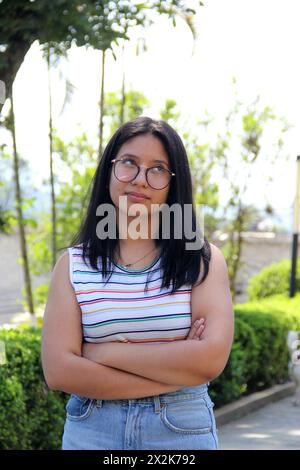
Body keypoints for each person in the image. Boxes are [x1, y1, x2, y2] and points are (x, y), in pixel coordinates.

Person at [41, 116, 234, 450]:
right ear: (109, 172)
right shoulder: (73, 265)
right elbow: (60, 371)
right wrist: (176, 370)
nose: (140, 179)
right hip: (92, 430)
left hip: (180, 431)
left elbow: (209, 360)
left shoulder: (201, 260)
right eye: (129, 163)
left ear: (174, 184)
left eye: (158, 169)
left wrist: (101, 352)